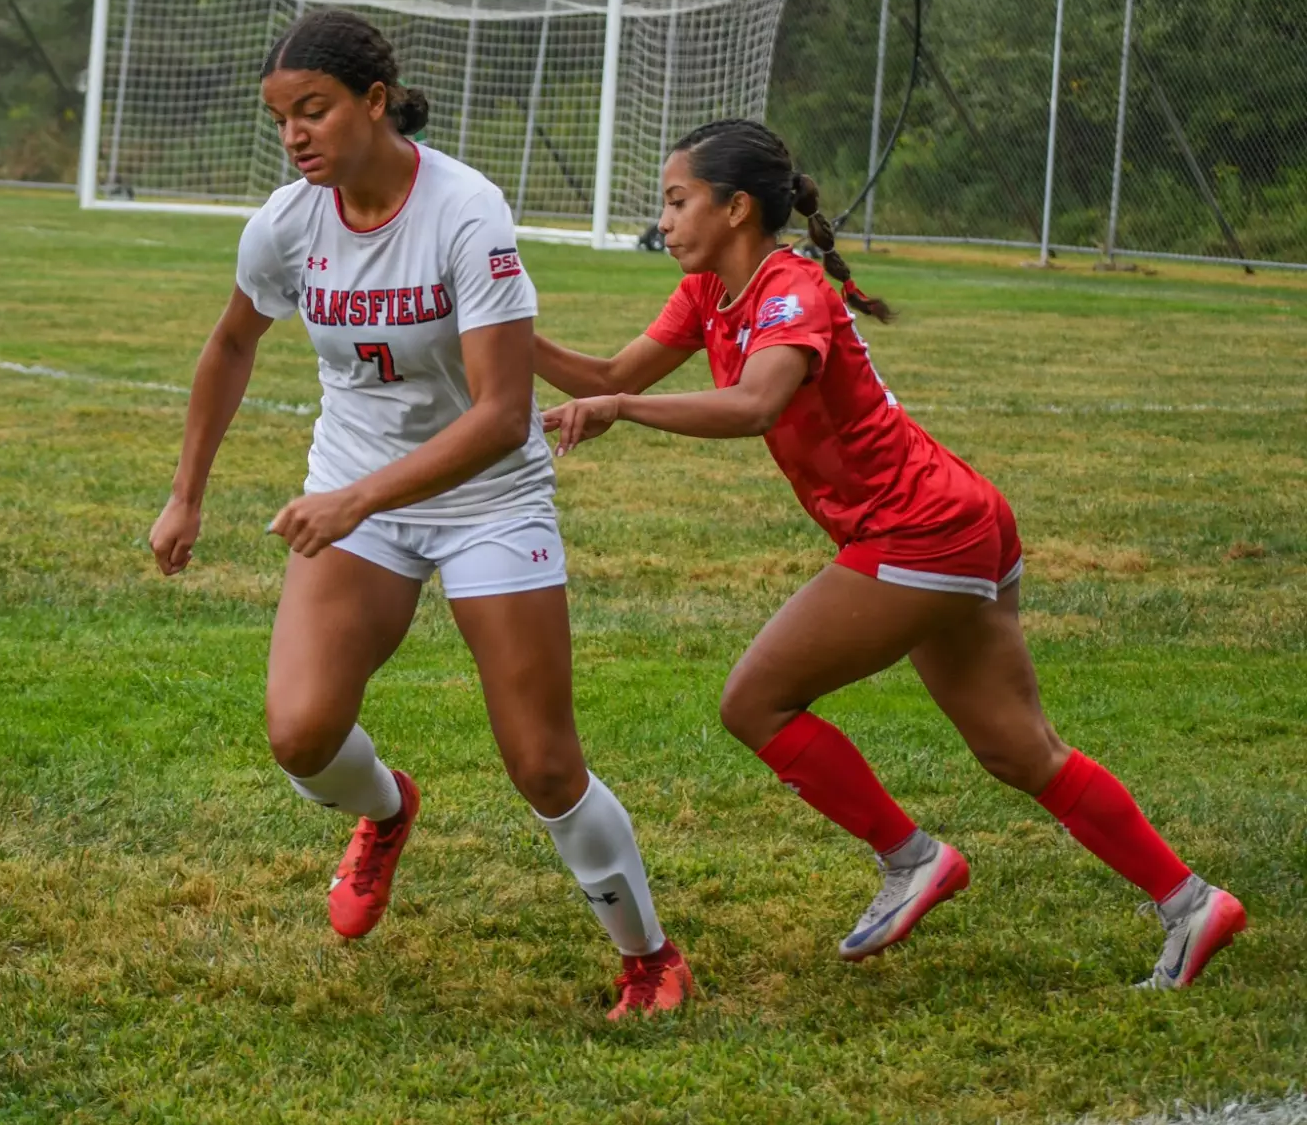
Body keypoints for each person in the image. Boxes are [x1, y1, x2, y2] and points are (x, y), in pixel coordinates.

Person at [538, 118, 1246, 989]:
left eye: (678, 202)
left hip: (921, 531)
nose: (666, 220)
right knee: (1019, 750)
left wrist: (625, 410)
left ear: (736, 208)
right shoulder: (705, 294)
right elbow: (610, 370)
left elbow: (756, 403)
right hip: (955, 518)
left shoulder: (790, 287)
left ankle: (912, 858)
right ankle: (1191, 902)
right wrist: (497, 327)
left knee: (755, 702)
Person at [149, 9, 691, 1020]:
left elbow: (497, 417)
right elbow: (229, 346)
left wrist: (353, 498)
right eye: (279, 120)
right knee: (301, 735)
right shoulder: (284, 221)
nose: (294, 136)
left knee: (540, 761)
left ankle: (649, 958)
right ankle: (387, 812)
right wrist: (187, 495)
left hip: (485, 499)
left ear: (374, 101)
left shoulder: (464, 210)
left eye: (311, 111)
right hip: (360, 492)